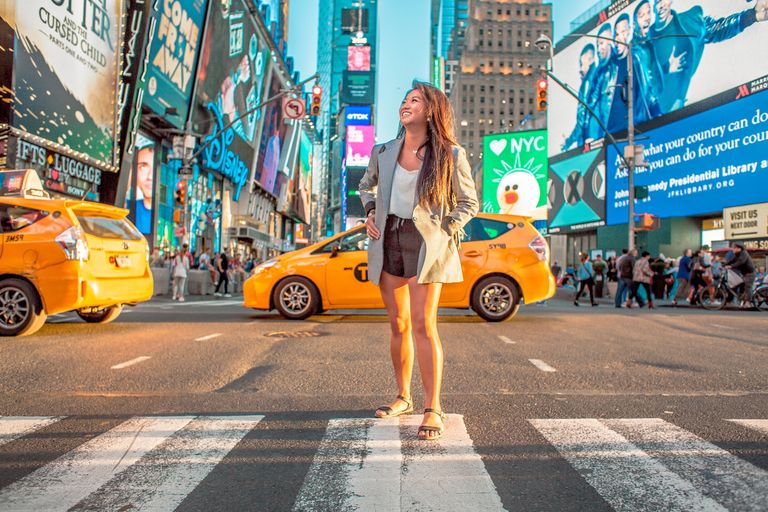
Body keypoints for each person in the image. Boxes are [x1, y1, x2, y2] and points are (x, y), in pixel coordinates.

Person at [358, 80, 478, 441]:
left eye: (415, 100)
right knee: (398, 325)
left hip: (426, 242)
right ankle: (403, 397)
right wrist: (370, 211)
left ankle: (433, 407)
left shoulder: (451, 154)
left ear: (431, 111)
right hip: (388, 238)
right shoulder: (383, 151)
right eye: (405, 99)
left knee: (425, 325)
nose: (406, 104)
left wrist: (447, 228)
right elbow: (366, 186)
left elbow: (469, 202)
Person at [649, 0, 768, 114]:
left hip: (674, 112)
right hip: (647, 117)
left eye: (662, 0)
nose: (660, 5)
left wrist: (752, 16)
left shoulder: (690, 23)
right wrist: (665, 68)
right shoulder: (645, 40)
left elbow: (717, 28)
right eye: (657, 1)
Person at [562, 44, 599, 150]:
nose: (580, 68)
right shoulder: (598, 76)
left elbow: (582, 120)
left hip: (588, 139)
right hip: (599, 137)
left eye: (582, 64)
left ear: (591, 60)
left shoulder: (587, 83)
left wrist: (568, 142)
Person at [725, 242, 756, 308]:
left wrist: (731, 266)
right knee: (735, 285)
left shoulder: (744, 253)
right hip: (744, 273)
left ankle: (748, 303)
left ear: (739, 248)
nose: (732, 249)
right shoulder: (737, 254)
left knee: (748, 287)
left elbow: (741, 262)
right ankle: (731, 301)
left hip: (750, 273)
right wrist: (724, 264)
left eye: (734, 248)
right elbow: (731, 261)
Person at [133, 141, 154, 236]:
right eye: (143, 167)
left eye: (155, 170)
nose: (150, 176)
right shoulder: (127, 207)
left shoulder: (170, 215)